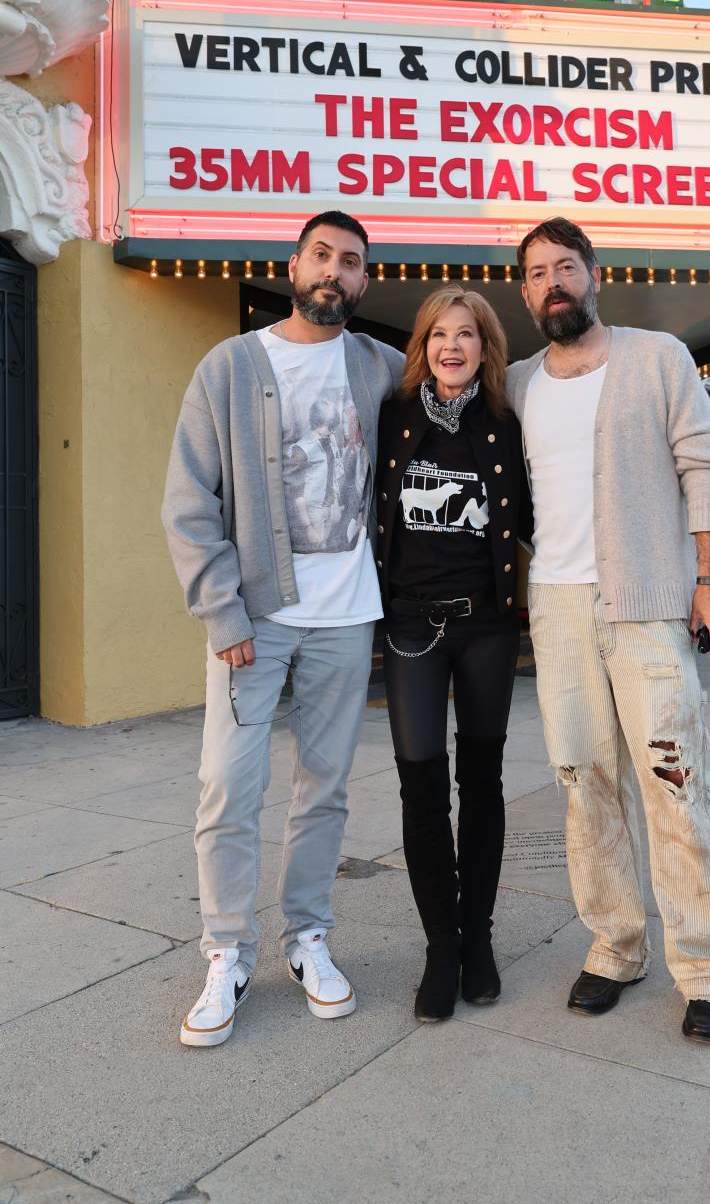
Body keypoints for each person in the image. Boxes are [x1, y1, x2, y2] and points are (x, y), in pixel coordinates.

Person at [162, 210, 404, 1047]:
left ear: (365, 281)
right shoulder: (232, 365)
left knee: (324, 787)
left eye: (352, 262)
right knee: (228, 784)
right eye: (322, 256)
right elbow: (190, 502)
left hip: (347, 617)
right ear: (293, 266)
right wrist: (221, 608)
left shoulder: (382, 367)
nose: (334, 271)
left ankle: (307, 938)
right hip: (255, 622)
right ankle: (226, 950)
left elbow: (464, 383)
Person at [507, 217, 710, 1044]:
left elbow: (702, 463)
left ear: (594, 274)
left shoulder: (656, 357)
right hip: (557, 610)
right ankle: (615, 945)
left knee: (675, 785)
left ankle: (708, 966)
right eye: (537, 273)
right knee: (584, 786)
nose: (552, 284)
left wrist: (708, 579)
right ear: (527, 290)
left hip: (646, 603)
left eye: (564, 267)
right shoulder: (518, 381)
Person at [375, 286, 531, 1023]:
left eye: (466, 334)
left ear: (484, 346)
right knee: (420, 784)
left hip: (487, 628)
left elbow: (539, 511)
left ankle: (479, 941)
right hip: (411, 626)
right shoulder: (394, 416)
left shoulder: (503, 421)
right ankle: (441, 946)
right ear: (422, 345)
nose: (452, 346)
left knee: (483, 780)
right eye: (439, 333)